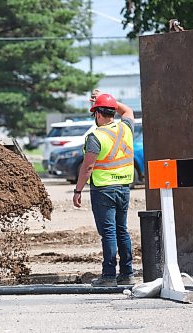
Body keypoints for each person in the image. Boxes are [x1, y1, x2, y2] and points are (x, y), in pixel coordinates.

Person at [72, 90, 136, 287]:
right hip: (123, 188)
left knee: (108, 233)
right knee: (121, 231)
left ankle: (108, 276)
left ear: (97, 114)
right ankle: (127, 273)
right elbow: (130, 111)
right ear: (113, 112)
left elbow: (88, 167)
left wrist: (78, 190)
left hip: (103, 190)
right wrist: (109, 100)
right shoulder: (126, 128)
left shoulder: (95, 136)